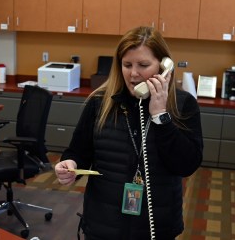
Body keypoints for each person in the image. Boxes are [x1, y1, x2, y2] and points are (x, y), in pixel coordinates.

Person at [54, 26, 203, 239]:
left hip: (157, 224)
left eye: (143, 65)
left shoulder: (183, 104)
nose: (133, 73)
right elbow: (78, 151)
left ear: (163, 67)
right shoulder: (100, 102)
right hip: (103, 223)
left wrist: (161, 116)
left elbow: (187, 164)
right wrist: (70, 164)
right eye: (127, 65)